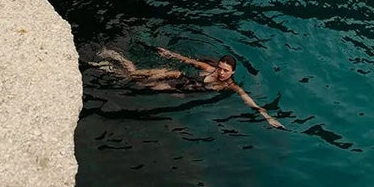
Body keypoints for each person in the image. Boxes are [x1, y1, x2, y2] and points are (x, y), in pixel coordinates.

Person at [98, 46, 285, 129]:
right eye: (220, 68)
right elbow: (189, 61)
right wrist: (170, 54)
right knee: (135, 74)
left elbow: (248, 100)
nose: (221, 73)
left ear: (232, 72)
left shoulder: (230, 86)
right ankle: (115, 58)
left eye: (225, 71)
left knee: (139, 83)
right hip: (177, 76)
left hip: (180, 91)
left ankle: (108, 67)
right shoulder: (209, 68)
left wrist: (267, 117)